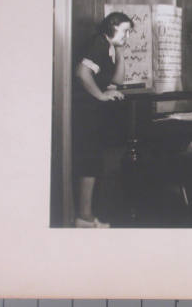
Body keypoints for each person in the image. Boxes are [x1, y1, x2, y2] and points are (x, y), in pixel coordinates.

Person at [72, 12, 134, 228]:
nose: (127, 35)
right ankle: (84, 217)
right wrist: (100, 95)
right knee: (89, 163)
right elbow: (82, 73)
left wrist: (121, 51)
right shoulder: (98, 43)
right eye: (125, 31)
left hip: (93, 113)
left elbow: (117, 80)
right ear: (112, 26)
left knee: (93, 163)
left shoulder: (108, 47)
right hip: (85, 112)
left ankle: (86, 216)